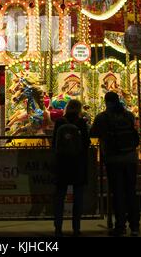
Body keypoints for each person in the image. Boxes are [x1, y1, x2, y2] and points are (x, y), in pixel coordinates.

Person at [90, 91, 140, 237]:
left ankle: (120, 225)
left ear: (106, 102)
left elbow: (93, 133)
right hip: (130, 158)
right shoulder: (129, 115)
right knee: (131, 191)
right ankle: (135, 226)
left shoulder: (103, 117)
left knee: (117, 192)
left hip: (113, 159)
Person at [52, 99, 90, 237]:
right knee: (78, 197)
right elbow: (86, 142)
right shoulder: (81, 123)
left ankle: (58, 227)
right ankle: (76, 227)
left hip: (62, 163)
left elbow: (54, 143)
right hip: (78, 164)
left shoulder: (60, 122)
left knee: (60, 197)